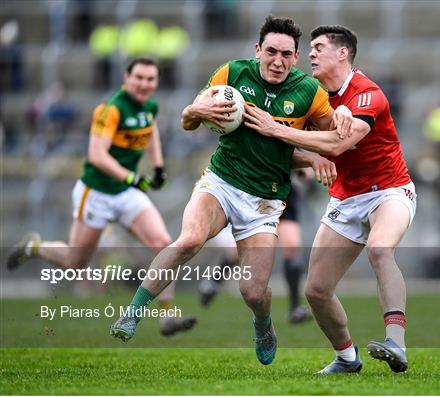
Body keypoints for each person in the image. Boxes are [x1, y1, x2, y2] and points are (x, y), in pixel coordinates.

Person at [110, 16, 349, 366]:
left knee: (253, 293)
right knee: (189, 240)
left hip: (264, 201)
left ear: (296, 57)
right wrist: (195, 109)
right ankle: (132, 313)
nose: (278, 61)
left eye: (286, 54)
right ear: (258, 50)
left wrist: (317, 155)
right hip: (221, 182)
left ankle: (263, 324)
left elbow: (330, 140)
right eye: (271, 52)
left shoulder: (309, 92)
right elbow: (188, 120)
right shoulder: (231, 74)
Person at [244, 25, 416, 374]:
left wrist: (276, 129)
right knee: (316, 291)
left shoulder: (368, 94)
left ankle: (396, 343)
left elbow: (338, 144)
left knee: (381, 249)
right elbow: (296, 151)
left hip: (390, 191)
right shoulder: (312, 95)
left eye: (318, 47)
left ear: (343, 53)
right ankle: (347, 358)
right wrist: (309, 159)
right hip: (345, 199)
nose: (310, 54)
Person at [7, 57, 196, 337]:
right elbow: (97, 155)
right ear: (126, 78)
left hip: (126, 193)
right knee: (76, 262)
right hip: (96, 193)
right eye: (139, 78)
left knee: (163, 244)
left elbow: (150, 130)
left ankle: (167, 316)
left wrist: (158, 167)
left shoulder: (150, 106)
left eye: (151, 79)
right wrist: (131, 177)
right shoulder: (110, 110)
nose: (145, 84)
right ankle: (34, 246)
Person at [198, 174, 313, 324]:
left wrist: (308, 169)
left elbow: (306, 165)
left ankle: (295, 307)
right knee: (239, 252)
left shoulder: (300, 149)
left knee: (292, 246)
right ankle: (214, 282)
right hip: (261, 192)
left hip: (286, 193)